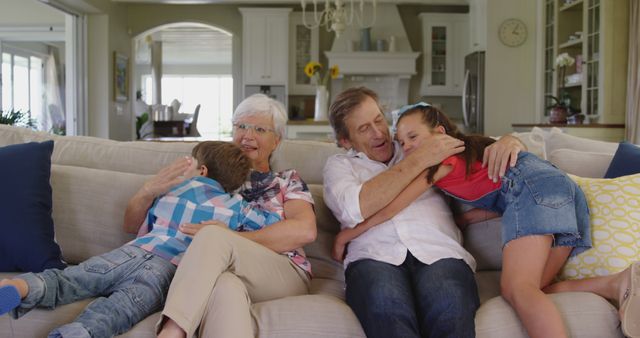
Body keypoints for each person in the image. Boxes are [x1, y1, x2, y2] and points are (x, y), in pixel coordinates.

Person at [0, 141, 281, 337]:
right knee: (118, 311)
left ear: (202, 171)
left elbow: (139, 226)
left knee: (73, 279)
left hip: (133, 251)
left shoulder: (172, 190)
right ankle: (75, 333)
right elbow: (272, 226)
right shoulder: (237, 207)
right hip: (166, 271)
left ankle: (21, 286)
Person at [323, 87, 525, 338]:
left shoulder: (416, 139)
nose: (379, 134)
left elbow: (472, 145)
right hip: (373, 256)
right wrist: (420, 160)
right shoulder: (339, 166)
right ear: (345, 141)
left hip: (438, 249)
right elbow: (357, 208)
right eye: (364, 129)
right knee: (387, 307)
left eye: (379, 120)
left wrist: (511, 141)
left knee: (450, 305)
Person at [122, 93, 317, 338]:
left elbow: (304, 231)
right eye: (241, 126)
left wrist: (231, 237)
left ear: (276, 140)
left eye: (259, 129)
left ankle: (172, 332)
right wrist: (147, 190)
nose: (248, 135)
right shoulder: (205, 174)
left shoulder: (286, 180)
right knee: (224, 287)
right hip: (221, 271)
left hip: (281, 270)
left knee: (213, 235)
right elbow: (131, 225)